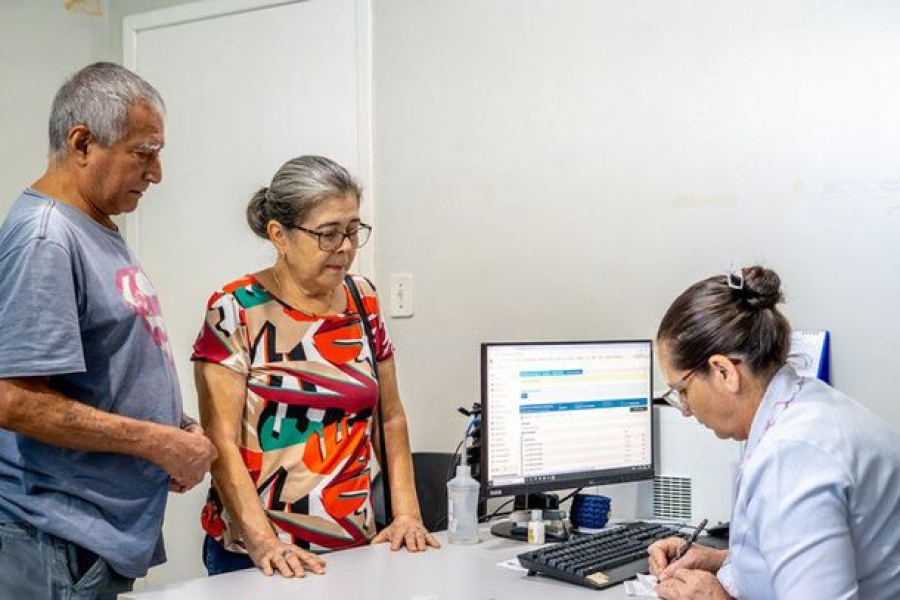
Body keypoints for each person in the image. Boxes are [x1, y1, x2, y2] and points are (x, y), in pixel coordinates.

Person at [0, 62, 217, 599]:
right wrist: (157, 443)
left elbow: (107, 367)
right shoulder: (46, 238)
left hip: (90, 537)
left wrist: (176, 427)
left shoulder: (93, 227)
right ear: (82, 143)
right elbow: (14, 401)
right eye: (144, 152)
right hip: (54, 539)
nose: (156, 173)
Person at [193, 155, 439, 578]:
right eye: (328, 234)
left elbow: (390, 418)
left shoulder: (363, 299)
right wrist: (265, 543)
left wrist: (407, 515)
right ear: (279, 235)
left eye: (352, 231)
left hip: (355, 547)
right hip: (260, 556)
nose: (345, 247)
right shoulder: (235, 308)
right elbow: (222, 441)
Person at [647, 265, 900, 599]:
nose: (686, 408)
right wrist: (725, 561)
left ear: (723, 372)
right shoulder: (808, 404)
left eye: (682, 390)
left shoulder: (792, 454)